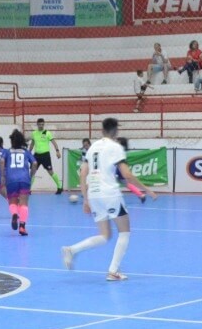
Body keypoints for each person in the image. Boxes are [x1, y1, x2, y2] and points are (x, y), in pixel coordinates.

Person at [62, 117, 156, 281]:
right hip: (110, 193)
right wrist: (147, 190)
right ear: (116, 131)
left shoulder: (92, 148)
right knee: (125, 232)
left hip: (94, 193)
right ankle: (113, 271)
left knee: (105, 235)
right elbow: (126, 174)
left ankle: (72, 250)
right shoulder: (116, 147)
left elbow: (83, 173)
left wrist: (85, 199)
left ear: (102, 130)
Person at [4, 129, 38, 236]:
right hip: (24, 179)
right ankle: (22, 226)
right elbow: (35, 163)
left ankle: (14, 214)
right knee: (24, 203)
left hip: (11, 180)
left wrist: (2, 175)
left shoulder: (7, 152)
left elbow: (1, 161)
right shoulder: (26, 152)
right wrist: (31, 175)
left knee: (12, 202)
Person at [28, 117, 63, 194]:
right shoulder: (34, 133)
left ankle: (60, 187)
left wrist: (57, 151)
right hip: (36, 155)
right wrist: (28, 153)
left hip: (45, 155)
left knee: (50, 172)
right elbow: (32, 144)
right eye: (39, 124)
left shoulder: (47, 133)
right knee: (32, 172)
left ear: (44, 125)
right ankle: (29, 189)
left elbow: (54, 142)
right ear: (37, 124)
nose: (41, 126)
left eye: (42, 124)